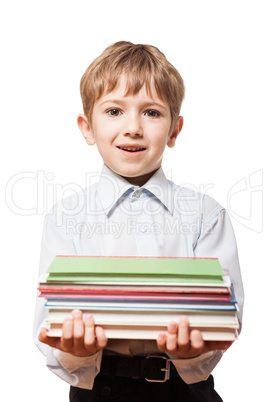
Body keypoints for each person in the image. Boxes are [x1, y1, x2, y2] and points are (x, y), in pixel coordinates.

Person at [34, 41, 244, 401]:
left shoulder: (206, 216)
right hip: (99, 390)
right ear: (87, 127)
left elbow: (227, 318)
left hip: (185, 393)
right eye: (114, 111)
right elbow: (48, 325)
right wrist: (76, 351)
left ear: (174, 130)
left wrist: (193, 352)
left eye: (151, 112)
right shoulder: (66, 218)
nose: (132, 127)